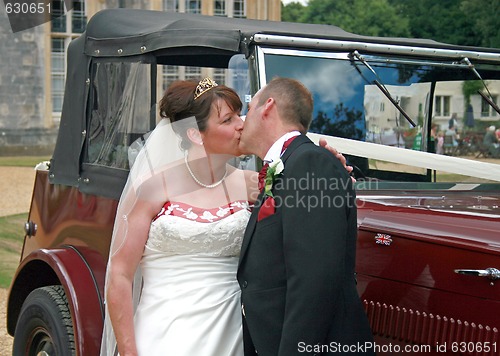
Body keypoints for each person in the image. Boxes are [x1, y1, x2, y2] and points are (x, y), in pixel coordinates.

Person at [100, 78, 352, 356]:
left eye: (239, 115)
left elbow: (306, 211)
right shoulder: (152, 188)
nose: (241, 124)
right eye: (228, 120)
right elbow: (121, 273)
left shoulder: (254, 183)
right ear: (196, 134)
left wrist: (330, 169)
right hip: (162, 332)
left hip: (233, 333)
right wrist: (127, 349)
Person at [237, 77, 374, 355]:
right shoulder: (285, 165)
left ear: (267, 107)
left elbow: (315, 279)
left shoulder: (311, 163)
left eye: (248, 108)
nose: (242, 120)